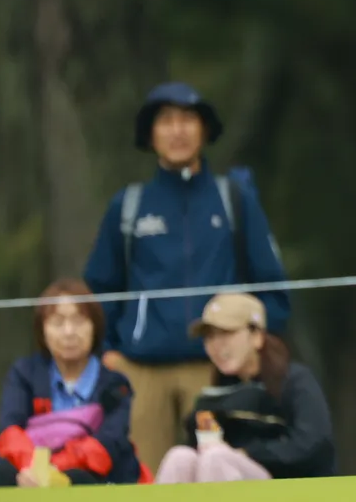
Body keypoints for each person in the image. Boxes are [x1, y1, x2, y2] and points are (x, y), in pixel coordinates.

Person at [81, 82, 290, 473]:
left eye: (187, 120)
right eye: (166, 121)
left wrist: (250, 346)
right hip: (141, 373)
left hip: (218, 371)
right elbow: (99, 290)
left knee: (219, 474)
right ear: (150, 135)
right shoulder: (128, 206)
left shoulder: (234, 200)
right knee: (144, 482)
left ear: (205, 130)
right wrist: (109, 354)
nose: (177, 130)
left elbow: (273, 292)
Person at [155, 294, 334, 483]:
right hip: (227, 477)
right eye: (209, 336)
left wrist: (246, 453)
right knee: (179, 457)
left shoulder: (294, 381)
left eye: (226, 333)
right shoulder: (215, 393)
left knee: (217, 459)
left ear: (257, 337)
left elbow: (312, 444)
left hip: (291, 486)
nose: (216, 345)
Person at [0, 279, 143, 487]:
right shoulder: (24, 374)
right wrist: (34, 469)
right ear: (42, 330)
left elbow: (107, 445)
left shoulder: (115, 384)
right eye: (58, 323)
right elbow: (10, 432)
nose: (69, 332)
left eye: (79, 321)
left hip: (89, 477)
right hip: (28, 473)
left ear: (95, 326)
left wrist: (53, 471)